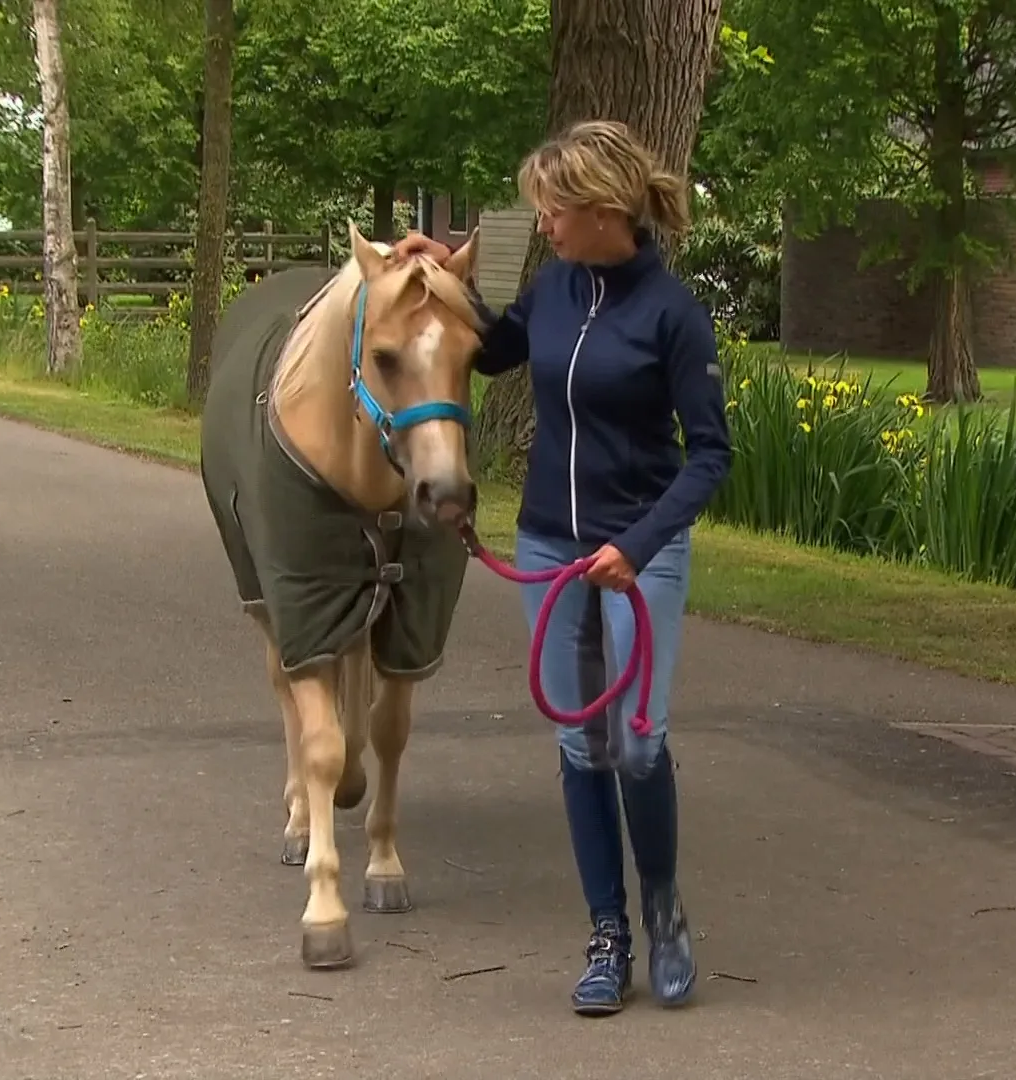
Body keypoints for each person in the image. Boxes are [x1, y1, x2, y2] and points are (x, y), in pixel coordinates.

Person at [393, 119, 733, 1016]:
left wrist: (639, 546)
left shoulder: (673, 316)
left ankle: (662, 911)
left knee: (638, 742)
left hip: (637, 552)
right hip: (550, 545)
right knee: (579, 744)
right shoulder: (552, 289)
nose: (541, 223)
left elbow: (709, 455)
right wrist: (437, 270)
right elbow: (492, 344)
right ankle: (606, 935)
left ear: (602, 210)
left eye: (552, 209)